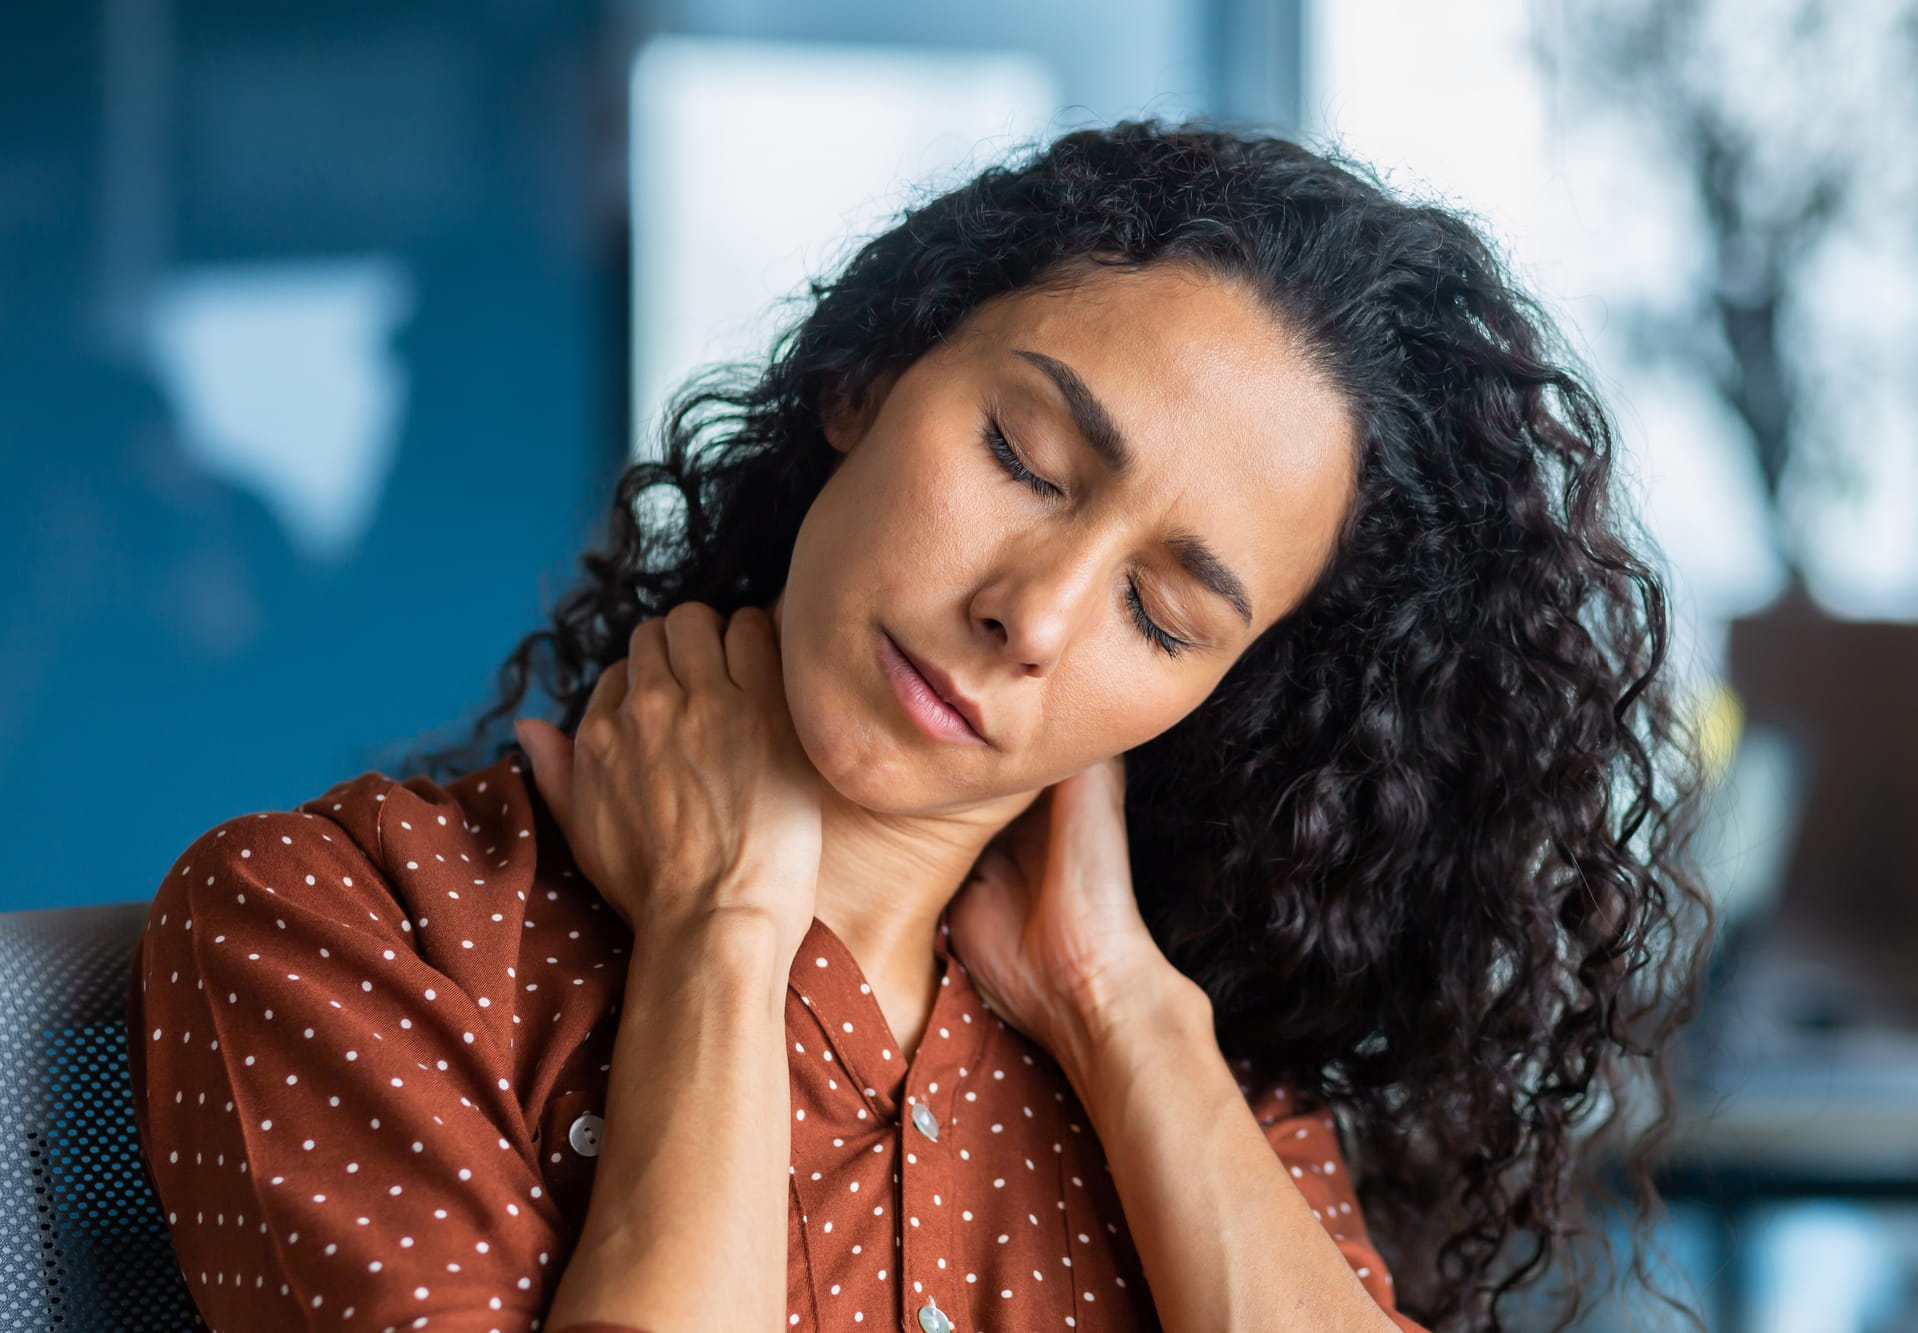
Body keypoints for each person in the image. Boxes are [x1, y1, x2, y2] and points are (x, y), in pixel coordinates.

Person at [126, 118, 1714, 1333]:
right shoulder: (350, 928)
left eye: (1164, 617)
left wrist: (1125, 1014)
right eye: (1025, 456)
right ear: (869, 376)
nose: (1033, 612)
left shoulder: (1171, 1055)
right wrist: (720, 935)